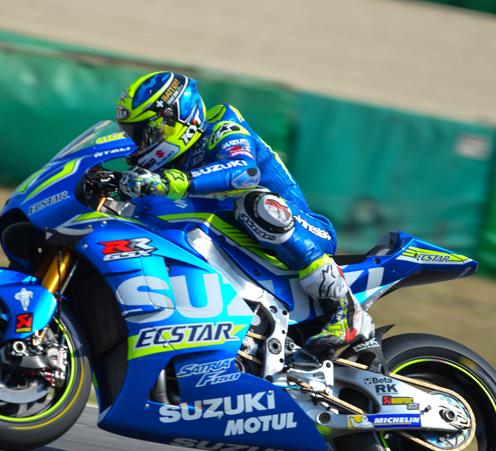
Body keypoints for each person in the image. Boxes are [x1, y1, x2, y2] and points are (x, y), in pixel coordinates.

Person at [116, 71, 379, 360]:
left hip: (304, 229)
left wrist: (174, 182)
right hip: (239, 243)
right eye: (132, 135)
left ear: (173, 119)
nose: (138, 145)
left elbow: (244, 171)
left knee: (255, 202)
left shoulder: (222, 127)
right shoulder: (167, 166)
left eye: (144, 133)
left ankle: (344, 308)